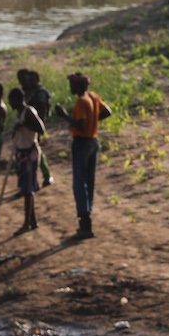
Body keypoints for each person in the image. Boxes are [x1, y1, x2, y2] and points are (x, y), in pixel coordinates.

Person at [65, 71, 109, 239]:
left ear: (79, 86)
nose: (70, 87)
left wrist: (65, 117)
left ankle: (85, 223)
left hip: (82, 143)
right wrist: (94, 121)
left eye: (72, 84)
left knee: (79, 183)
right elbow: (107, 112)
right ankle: (86, 220)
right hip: (93, 142)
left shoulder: (82, 101)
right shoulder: (93, 97)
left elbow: (81, 125)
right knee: (89, 181)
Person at [7, 86, 45, 233]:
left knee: (28, 190)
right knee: (26, 189)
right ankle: (33, 220)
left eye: (11, 101)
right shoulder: (19, 113)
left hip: (30, 155)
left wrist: (24, 124)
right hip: (22, 153)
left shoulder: (28, 112)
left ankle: (26, 224)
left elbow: (40, 128)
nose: (10, 104)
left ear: (17, 100)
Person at [17, 69, 54, 187]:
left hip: (36, 125)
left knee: (36, 150)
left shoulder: (40, 93)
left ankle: (45, 175)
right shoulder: (29, 91)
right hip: (30, 125)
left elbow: (42, 111)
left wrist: (39, 128)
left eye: (31, 80)